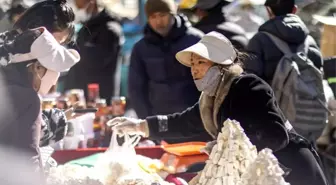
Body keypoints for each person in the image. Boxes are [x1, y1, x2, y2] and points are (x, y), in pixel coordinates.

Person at [108, 31, 328, 185]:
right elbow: (185, 122)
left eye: (200, 62)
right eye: (192, 63)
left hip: (290, 170)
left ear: (220, 64)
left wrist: (228, 146)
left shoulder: (248, 86)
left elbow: (275, 136)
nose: (194, 69)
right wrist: (141, 126)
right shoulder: (211, 98)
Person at [0, 25, 80, 173]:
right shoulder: (28, 98)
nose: (55, 80)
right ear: (36, 67)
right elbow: (28, 160)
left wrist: (61, 117)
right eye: (53, 71)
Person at [244, 0, 326, 141]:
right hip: (306, 123)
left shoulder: (259, 41)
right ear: (294, 10)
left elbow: (250, 84)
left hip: (273, 124)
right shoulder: (310, 42)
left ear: (269, 11)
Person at [63, 0, 124, 104]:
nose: (77, 8)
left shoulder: (110, 29)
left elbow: (97, 60)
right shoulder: (86, 27)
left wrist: (72, 48)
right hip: (81, 97)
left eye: (79, 4)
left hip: (100, 100)